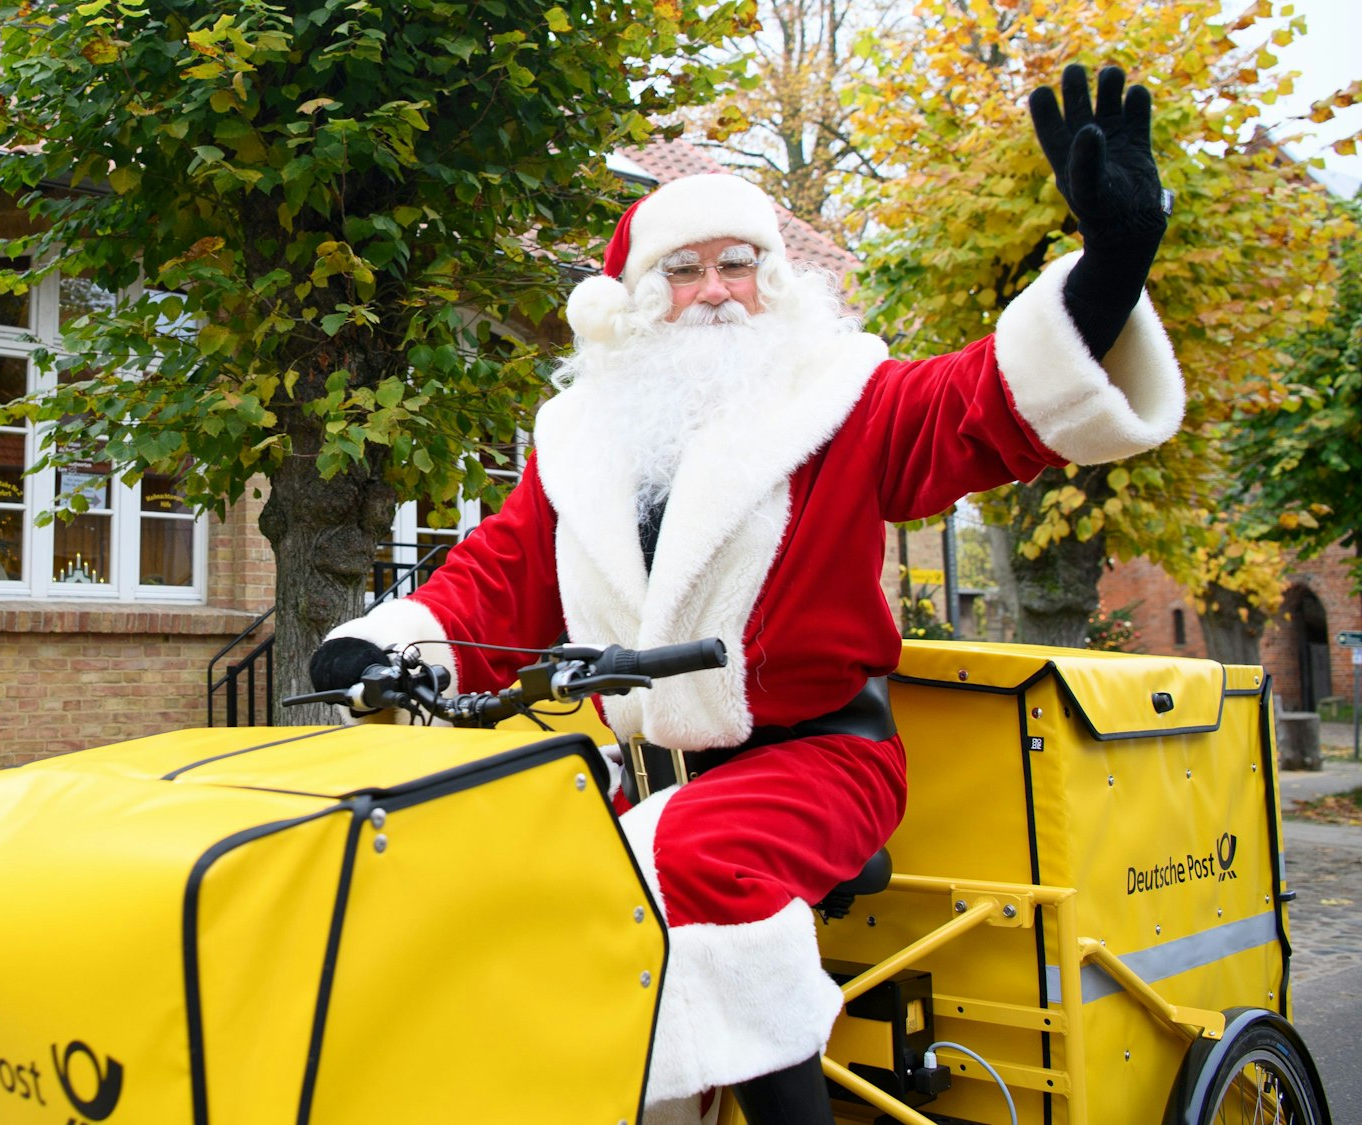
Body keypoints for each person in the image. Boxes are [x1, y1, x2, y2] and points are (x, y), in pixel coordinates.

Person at [309, 65, 1182, 1124]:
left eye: (739, 263)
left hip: (813, 757)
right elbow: (504, 573)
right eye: (684, 270)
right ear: (636, 300)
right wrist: (393, 640)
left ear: (774, 281)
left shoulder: (841, 399)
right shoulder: (580, 438)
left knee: (690, 861)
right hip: (631, 770)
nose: (716, 289)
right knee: (488, 875)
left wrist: (1106, 269)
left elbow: (977, 405)